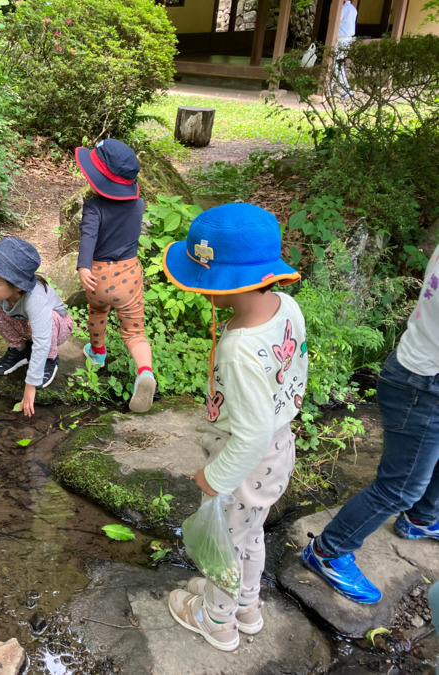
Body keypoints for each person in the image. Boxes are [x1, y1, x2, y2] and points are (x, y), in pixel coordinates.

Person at [161, 203, 308, 652]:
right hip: (279, 449)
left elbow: (249, 435)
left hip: (244, 459)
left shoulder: (238, 348)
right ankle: (247, 606)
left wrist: (215, 476)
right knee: (250, 533)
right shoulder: (287, 307)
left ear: (226, 283)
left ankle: (216, 620)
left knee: (227, 542)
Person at [303, 242, 439, 605]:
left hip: (423, 373)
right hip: (423, 385)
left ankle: (422, 519)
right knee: (399, 488)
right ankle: (327, 551)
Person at [74, 138, 154, 413]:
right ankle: (145, 371)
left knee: (97, 311)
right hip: (128, 275)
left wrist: (84, 266)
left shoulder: (93, 206)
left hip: (98, 275)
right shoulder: (139, 205)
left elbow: (88, 236)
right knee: (134, 331)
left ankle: (97, 354)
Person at [0, 237, 73, 417]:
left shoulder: (35, 298)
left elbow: (42, 339)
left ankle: (51, 359)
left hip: (56, 329)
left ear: (18, 286)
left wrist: (30, 386)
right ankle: (20, 350)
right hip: (26, 326)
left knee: (49, 318)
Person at [332, 0, 357, 98]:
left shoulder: (343, 9)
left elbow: (336, 21)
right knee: (337, 65)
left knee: (337, 65)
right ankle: (331, 89)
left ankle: (345, 90)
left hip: (341, 39)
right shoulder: (353, 9)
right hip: (348, 39)